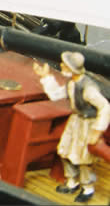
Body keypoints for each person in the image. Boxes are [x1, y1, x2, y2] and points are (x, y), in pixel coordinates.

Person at [33, 51, 110, 202]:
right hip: (75, 120)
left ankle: (88, 188)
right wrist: (46, 77)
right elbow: (57, 95)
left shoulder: (88, 88)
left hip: (88, 123)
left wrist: (97, 131)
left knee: (84, 159)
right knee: (65, 151)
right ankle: (72, 181)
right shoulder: (72, 83)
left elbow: (105, 107)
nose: (61, 65)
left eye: (64, 64)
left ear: (71, 68)